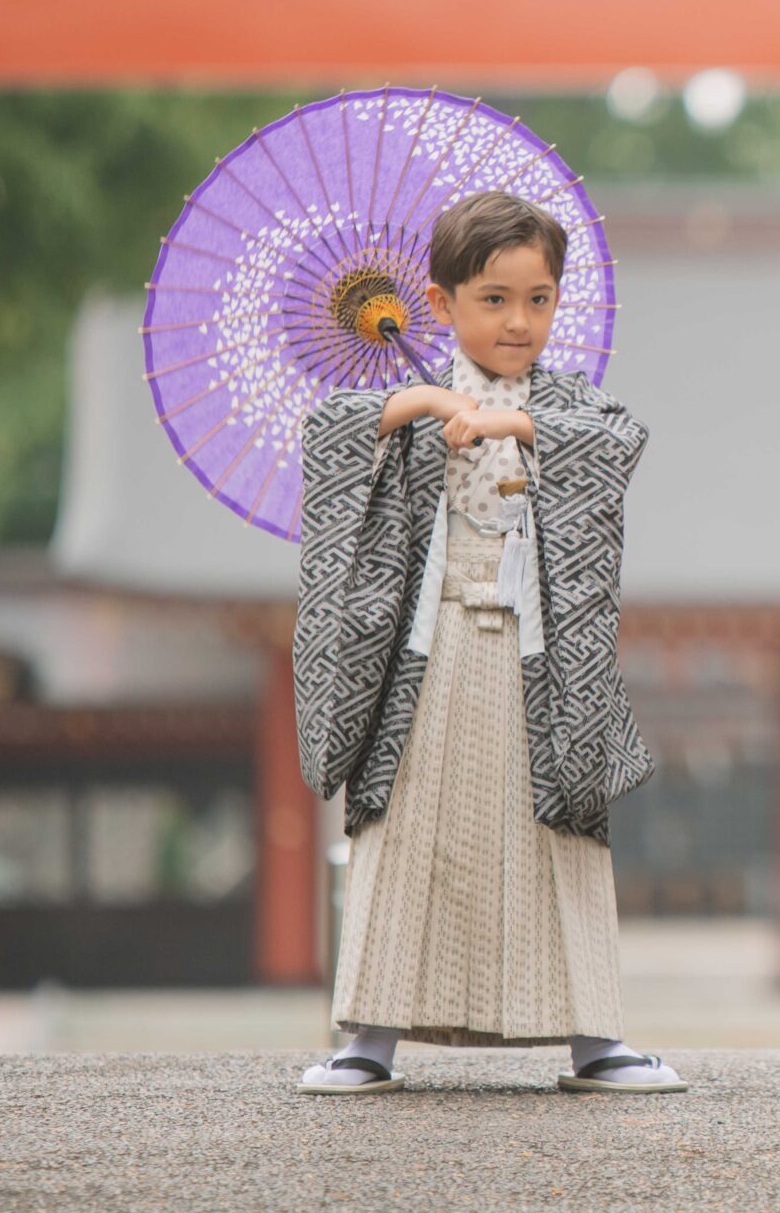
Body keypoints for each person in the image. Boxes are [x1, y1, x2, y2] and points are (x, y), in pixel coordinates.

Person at [289, 189, 684, 1096]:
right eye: (493, 299)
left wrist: (513, 421)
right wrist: (416, 404)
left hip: (542, 658)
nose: (518, 321)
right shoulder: (412, 398)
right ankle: (368, 1038)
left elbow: (615, 440)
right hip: (431, 656)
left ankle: (596, 1039)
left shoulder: (566, 404)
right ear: (441, 303)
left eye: (538, 299)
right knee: (406, 821)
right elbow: (330, 434)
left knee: (565, 831)